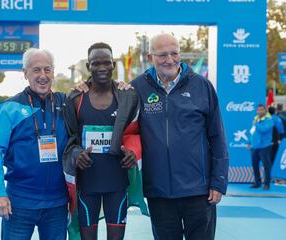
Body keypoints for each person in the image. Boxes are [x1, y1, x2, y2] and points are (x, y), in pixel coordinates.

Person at [131, 33, 229, 240]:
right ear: (150, 57)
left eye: (174, 53)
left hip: (199, 192)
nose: (169, 59)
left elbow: (217, 137)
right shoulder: (137, 88)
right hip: (159, 192)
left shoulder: (202, 86)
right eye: (162, 54)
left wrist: (218, 182)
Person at [0, 48, 69, 240]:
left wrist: (120, 86)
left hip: (57, 204)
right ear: (25, 73)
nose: (43, 76)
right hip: (19, 203)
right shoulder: (9, 108)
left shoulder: (65, 103)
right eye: (36, 70)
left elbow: (96, 94)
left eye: (47, 70)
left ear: (53, 72)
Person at [63, 42, 141, 240]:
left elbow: (134, 132)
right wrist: (76, 154)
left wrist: (132, 151)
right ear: (88, 67)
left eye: (106, 63)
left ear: (113, 64)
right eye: (95, 64)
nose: (102, 68)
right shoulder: (75, 98)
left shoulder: (128, 97)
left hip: (117, 182)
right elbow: (69, 138)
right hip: (87, 184)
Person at [248, 104, 274, 190]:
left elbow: (264, 129)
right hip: (254, 146)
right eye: (258, 110)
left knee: (266, 166)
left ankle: (267, 184)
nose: (260, 111)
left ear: (265, 110)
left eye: (261, 110)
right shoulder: (255, 119)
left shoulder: (269, 120)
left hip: (265, 146)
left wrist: (256, 124)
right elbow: (252, 132)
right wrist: (249, 142)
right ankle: (257, 182)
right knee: (255, 165)